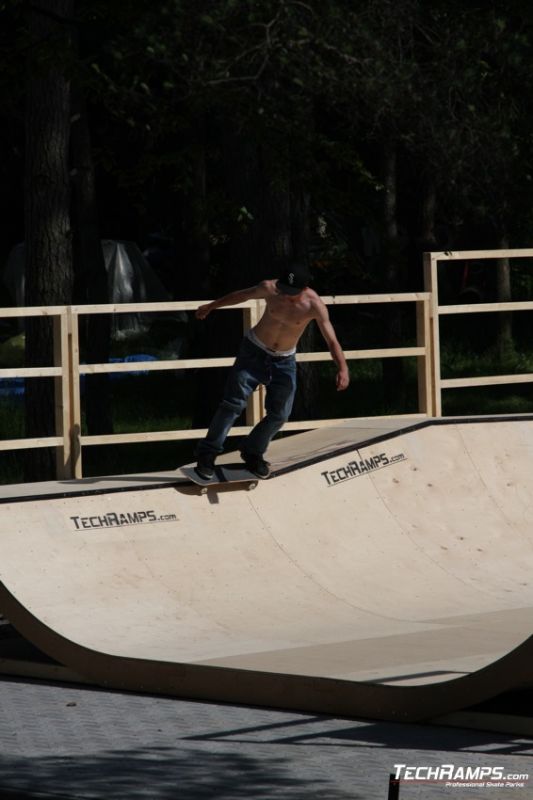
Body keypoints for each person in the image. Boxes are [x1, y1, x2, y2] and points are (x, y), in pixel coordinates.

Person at [194, 262, 350, 479]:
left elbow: (331, 340)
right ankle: (207, 454)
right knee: (233, 404)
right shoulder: (269, 288)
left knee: (280, 413)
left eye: (292, 293)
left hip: (284, 362)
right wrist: (212, 306)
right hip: (253, 353)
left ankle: (252, 451)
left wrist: (342, 368)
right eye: (284, 290)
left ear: (305, 289)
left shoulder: (315, 305)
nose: (286, 296)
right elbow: (241, 296)